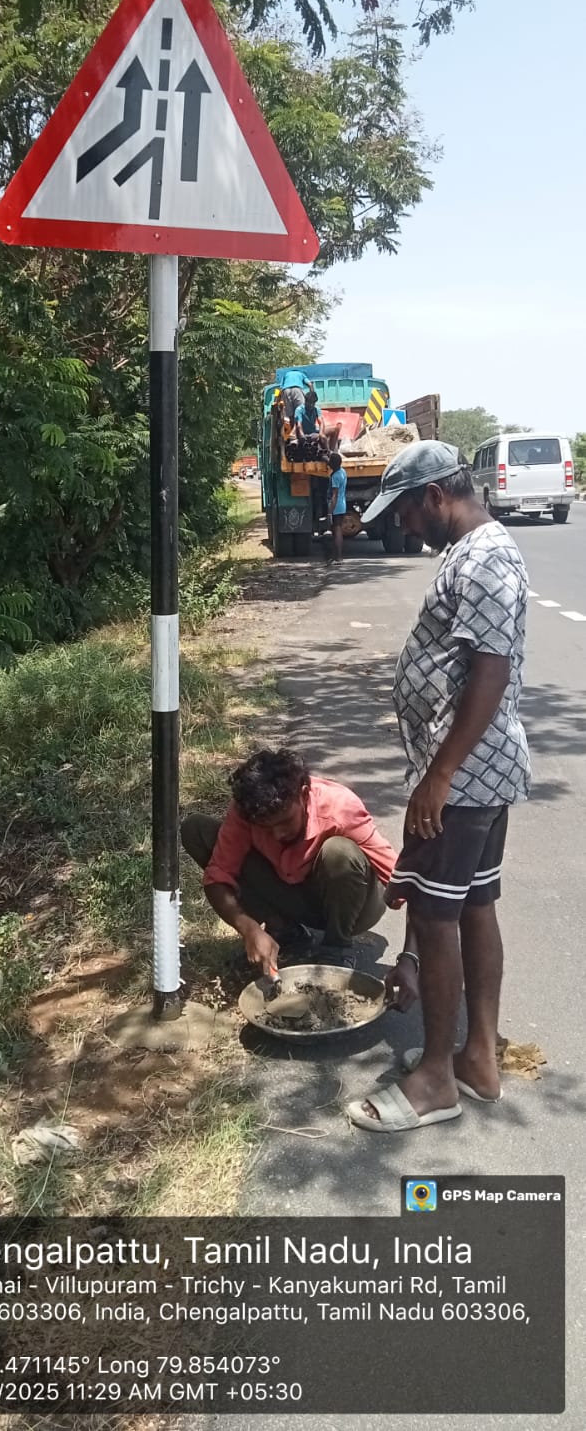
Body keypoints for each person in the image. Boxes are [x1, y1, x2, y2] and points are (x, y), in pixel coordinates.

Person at [345, 441, 530, 1133]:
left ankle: (432, 1080)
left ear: (433, 496)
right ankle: (477, 1059)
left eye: (405, 512)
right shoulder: (471, 552)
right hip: (474, 770)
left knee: (433, 912)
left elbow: (488, 670)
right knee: (473, 904)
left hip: (465, 776)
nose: (404, 527)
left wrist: (439, 775)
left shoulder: (483, 557)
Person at [181, 749, 399, 973]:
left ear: (304, 794)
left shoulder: (340, 807)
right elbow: (218, 874)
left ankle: (336, 948)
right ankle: (285, 932)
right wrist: (248, 928)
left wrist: (410, 958)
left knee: (339, 852)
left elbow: (406, 881)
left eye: (285, 821)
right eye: (266, 828)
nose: (278, 835)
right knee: (197, 830)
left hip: (355, 908)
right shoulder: (247, 810)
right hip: (293, 895)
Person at [327, 452, 347, 563]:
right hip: (342, 504)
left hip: (336, 506)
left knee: (337, 530)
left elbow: (334, 495)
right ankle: (335, 556)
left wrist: (330, 511)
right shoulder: (342, 472)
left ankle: (339, 557)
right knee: (336, 530)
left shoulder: (335, 477)